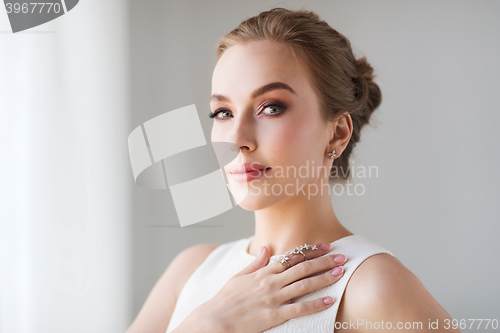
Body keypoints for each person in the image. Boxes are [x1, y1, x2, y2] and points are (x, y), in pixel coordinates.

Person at [127, 7, 460, 333]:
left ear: (338, 132)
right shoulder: (191, 270)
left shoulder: (370, 287)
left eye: (271, 108)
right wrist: (210, 324)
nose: (237, 139)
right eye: (223, 112)